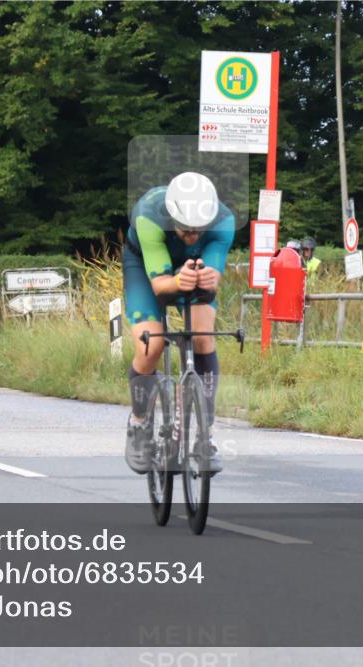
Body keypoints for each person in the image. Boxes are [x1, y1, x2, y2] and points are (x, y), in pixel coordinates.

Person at [122, 172, 235, 475]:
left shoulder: (223, 222)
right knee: (152, 345)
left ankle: (206, 437)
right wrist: (177, 280)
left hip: (190, 266)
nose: (194, 235)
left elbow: (212, 280)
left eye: (201, 229)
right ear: (172, 216)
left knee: (202, 337)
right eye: (187, 229)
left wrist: (208, 279)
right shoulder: (148, 214)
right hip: (144, 270)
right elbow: (160, 286)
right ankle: (139, 424)